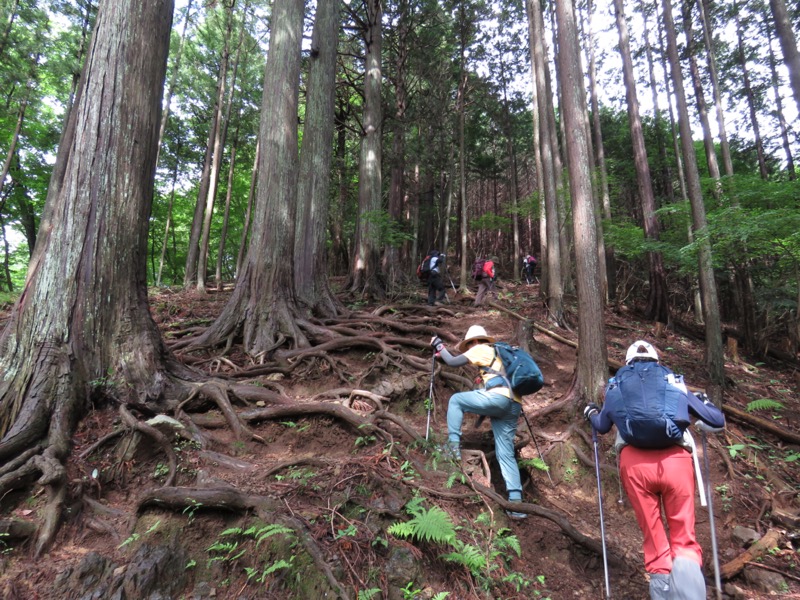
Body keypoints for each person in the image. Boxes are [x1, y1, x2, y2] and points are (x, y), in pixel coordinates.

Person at [584, 341, 725, 600]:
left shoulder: (615, 386)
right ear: (657, 361)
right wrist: (707, 402)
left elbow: (602, 426)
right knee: (683, 535)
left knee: (653, 534)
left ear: (628, 363)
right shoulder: (673, 382)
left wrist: (591, 412)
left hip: (635, 465)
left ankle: (662, 593)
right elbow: (716, 420)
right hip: (676, 462)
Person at [431, 325, 526, 519]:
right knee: (506, 453)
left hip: (498, 399)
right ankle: (517, 505)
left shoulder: (479, 348)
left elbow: (451, 361)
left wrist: (438, 345)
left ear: (474, 341)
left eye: (469, 344)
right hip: (514, 403)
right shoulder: (497, 354)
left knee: (456, 400)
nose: (469, 349)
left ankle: (452, 448)